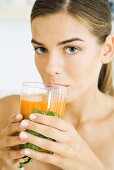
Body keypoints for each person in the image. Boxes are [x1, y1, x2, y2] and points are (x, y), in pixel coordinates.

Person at [0, 0, 114, 169]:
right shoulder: (8, 112)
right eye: (41, 49)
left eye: (71, 49)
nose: (50, 68)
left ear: (107, 50)